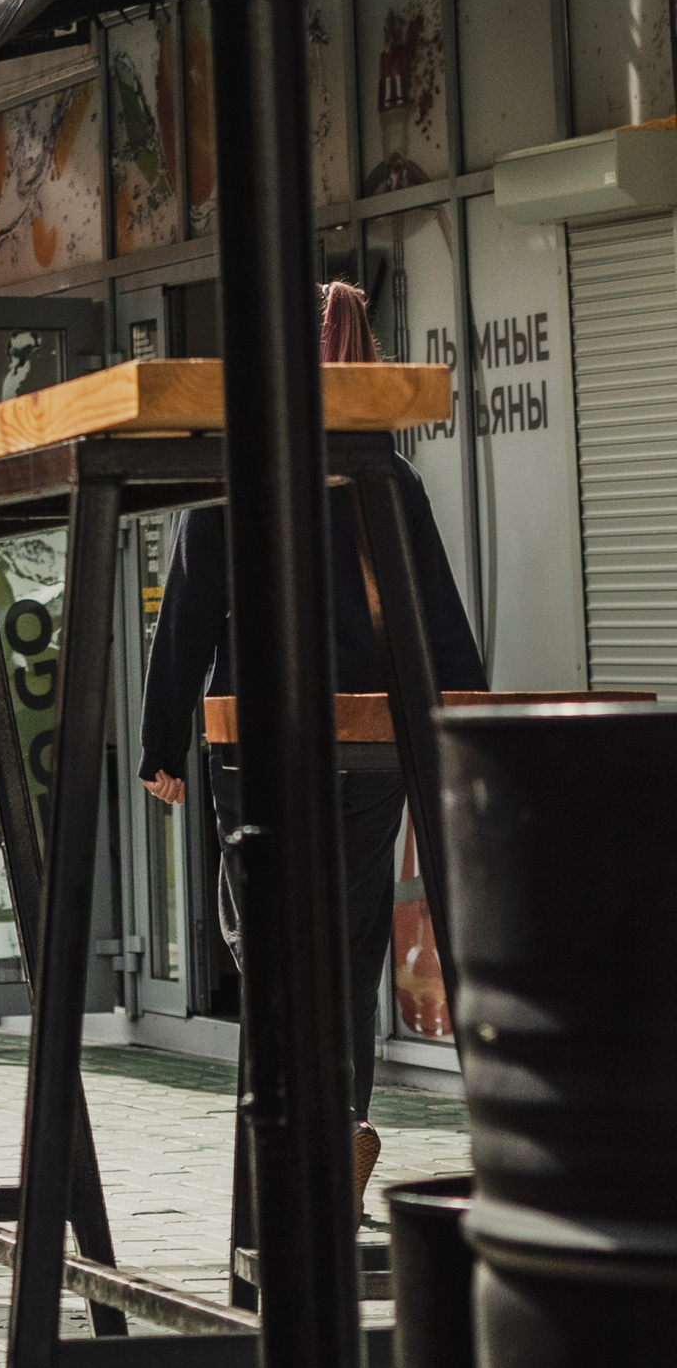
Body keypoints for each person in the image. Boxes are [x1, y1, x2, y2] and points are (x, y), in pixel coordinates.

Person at [139, 280, 484, 1212]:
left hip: (258, 742)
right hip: (374, 743)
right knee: (354, 935)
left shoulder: (232, 469)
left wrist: (161, 746)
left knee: (261, 925)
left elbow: (188, 618)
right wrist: (466, 729)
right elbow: (436, 617)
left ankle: (313, 1123)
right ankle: (344, 1119)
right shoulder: (388, 475)